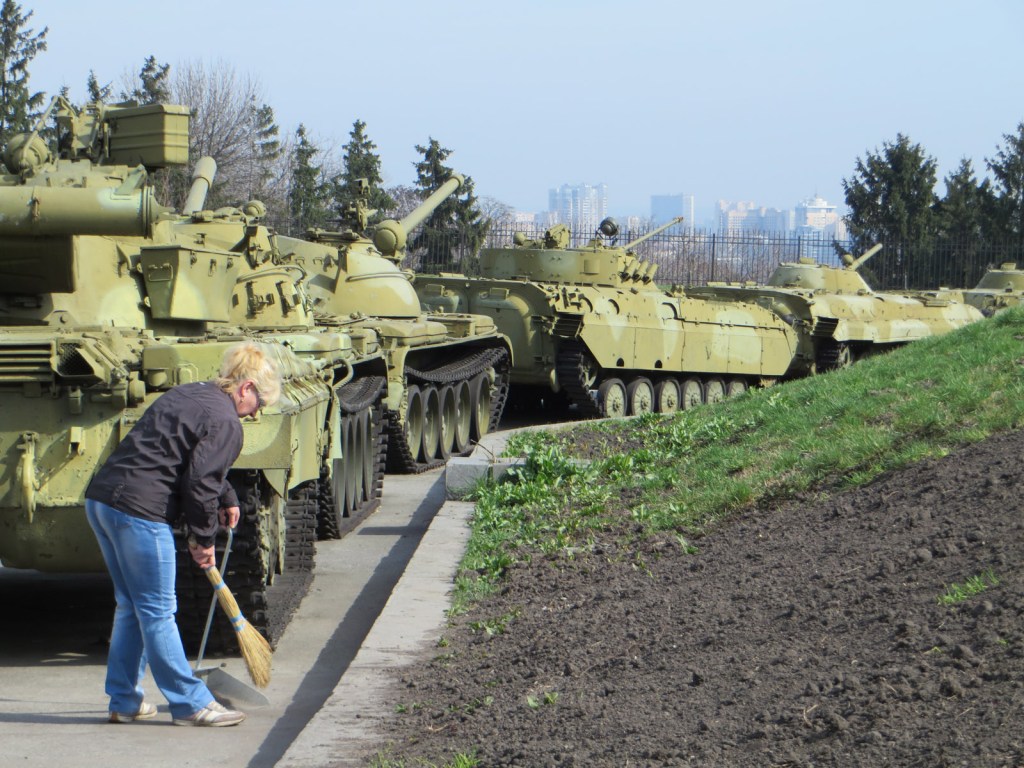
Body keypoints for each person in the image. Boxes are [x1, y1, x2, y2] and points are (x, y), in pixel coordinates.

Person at [85, 341, 282, 727]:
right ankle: (191, 704)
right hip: (141, 513)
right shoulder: (227, 421)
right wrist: (204, 540)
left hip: (102, 502)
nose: (255, 413)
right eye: (259, 404)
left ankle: (124, 700)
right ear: (246, 388)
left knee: (131, 607)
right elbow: (200, 483)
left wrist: (227, 496)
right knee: (158, 611)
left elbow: (189, 458)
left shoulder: (190, 393)